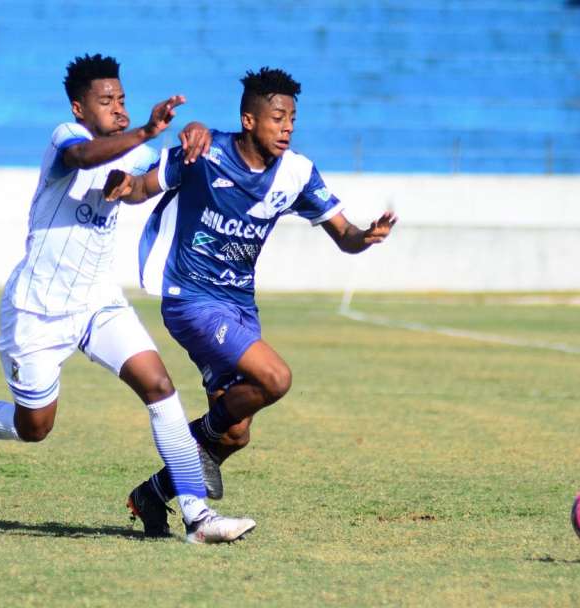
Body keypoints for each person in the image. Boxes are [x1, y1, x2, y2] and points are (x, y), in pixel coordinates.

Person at [0, 53, 254, 544]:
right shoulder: (65, 138)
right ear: (79, 108)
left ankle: (197, 515)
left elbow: (154, 176)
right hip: (38, 309)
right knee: (34, 427)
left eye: (122, 100)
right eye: (106, 101)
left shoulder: (132, 151)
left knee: (159, 387)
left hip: (98, 302)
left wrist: (196, 131)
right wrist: (144, 131)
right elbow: (83, 159)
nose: (118, 109)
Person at [103, 67, 397, 536]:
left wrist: (368, 236)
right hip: (190, 299)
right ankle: (197, 444)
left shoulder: (297, 172)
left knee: (236, 432)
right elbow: (142, 188)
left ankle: (152, 494)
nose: (287, 127)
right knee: (275, 378)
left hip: (239, 304)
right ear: (248, 120)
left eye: (293, 119)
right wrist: (120, 186)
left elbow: (344, 236)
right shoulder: (203, 151)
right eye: (278, 117)